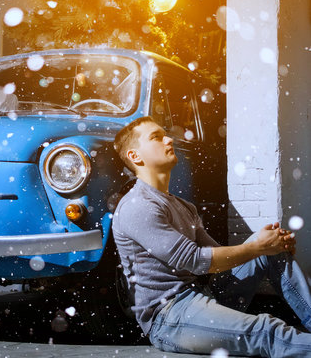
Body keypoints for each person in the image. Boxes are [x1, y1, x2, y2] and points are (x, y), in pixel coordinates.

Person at [112, 116, 311, 357]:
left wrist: (269, 243)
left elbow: (217, 263)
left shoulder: (184, 206)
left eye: (165, 133)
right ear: (135, 156)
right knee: (266, 331)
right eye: (156, 137)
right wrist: (258, 247)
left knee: (270, 248)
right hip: (169, 317)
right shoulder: (137, 205)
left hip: (204, 295)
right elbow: (195, 260)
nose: (168, 139)